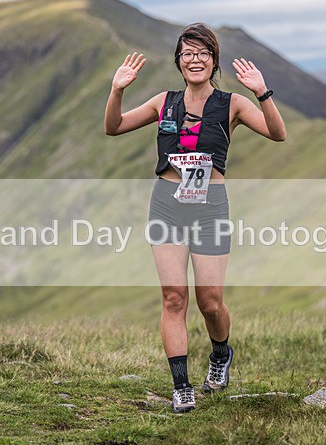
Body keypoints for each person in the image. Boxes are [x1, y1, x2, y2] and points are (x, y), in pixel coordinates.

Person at [104, 23, 286, 413]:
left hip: (210, 208)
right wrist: (117, 89)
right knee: (174, 298)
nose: (195, 59)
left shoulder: (233, 104)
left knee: (210, 302)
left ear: (214, 60)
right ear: (179, 61)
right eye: (188, 53)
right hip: (166, 204)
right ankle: (181, 386)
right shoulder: (163, 102)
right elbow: (114, 127)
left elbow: (278, 133)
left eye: (203, 53)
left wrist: (262, 92)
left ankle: (220, 352)